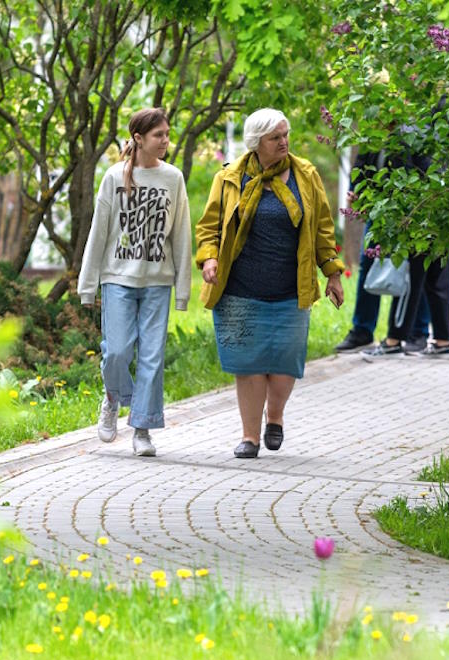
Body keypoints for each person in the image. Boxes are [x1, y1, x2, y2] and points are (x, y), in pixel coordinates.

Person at [194, 108, 345, 459]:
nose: (284, 142)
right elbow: (209, 227)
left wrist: (333, 273)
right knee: (247, 365)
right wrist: (210, 258)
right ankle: (249, 437)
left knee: (284, 364)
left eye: (285, 134)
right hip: (239, 290)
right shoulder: (229, 178)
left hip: (290, 289)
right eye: (275, 137)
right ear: (256, 142)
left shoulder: (305, 175)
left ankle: (274, 416)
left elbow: (323, 228)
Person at [77, 108, 191, 458]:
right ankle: (113, 397)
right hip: (118, 279)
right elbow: (99, 233)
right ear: (138, 139)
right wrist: (87, 285)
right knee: (117, 352)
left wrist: (183, 290)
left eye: (167, 134)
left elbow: (181, 234)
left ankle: (142, 428)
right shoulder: (113, 177)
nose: (166, 140)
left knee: (152, 358)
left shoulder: (173, 178)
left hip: (158, 281)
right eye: (159, 135)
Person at [361, 127, 449, 359]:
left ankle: (394, 340)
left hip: (418, 220)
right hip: (442, 215)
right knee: (438, 280)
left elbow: (407, 180)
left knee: (410, 279)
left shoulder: (406, 136)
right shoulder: (437, 130)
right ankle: (444, 341)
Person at [334, 147, 433, 353]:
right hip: (378, 212)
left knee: (413, 271)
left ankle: (418, 332)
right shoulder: (371, 138)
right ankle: (362, 331)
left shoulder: (414, 138)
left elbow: (425, 171)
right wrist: (354, 193)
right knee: (368, 266)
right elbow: (359, 167)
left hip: (410, 213)